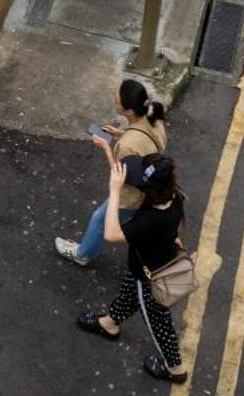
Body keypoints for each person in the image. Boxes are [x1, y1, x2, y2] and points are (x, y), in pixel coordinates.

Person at [76, 148, 190, 384]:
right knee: (129, 292)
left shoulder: (149, 221)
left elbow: (111, 234)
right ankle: (109, 324)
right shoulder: (174, 196)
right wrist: (110, 150)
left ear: (149, 190)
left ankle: (175, 369)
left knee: (159, 322)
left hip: (151, 276)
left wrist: (114, 190)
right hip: (154, 260)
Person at [55, 79, 169, 265]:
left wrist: (106, 147)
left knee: (99, 219)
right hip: (152, 180)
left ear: (129, 111)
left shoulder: (126, 146)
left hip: (133, 196)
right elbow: (144, 141)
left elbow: (119, 173)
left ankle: (82, 254)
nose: (114, 100)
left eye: (117, 101)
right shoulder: (153, 114)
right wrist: (121, 133)